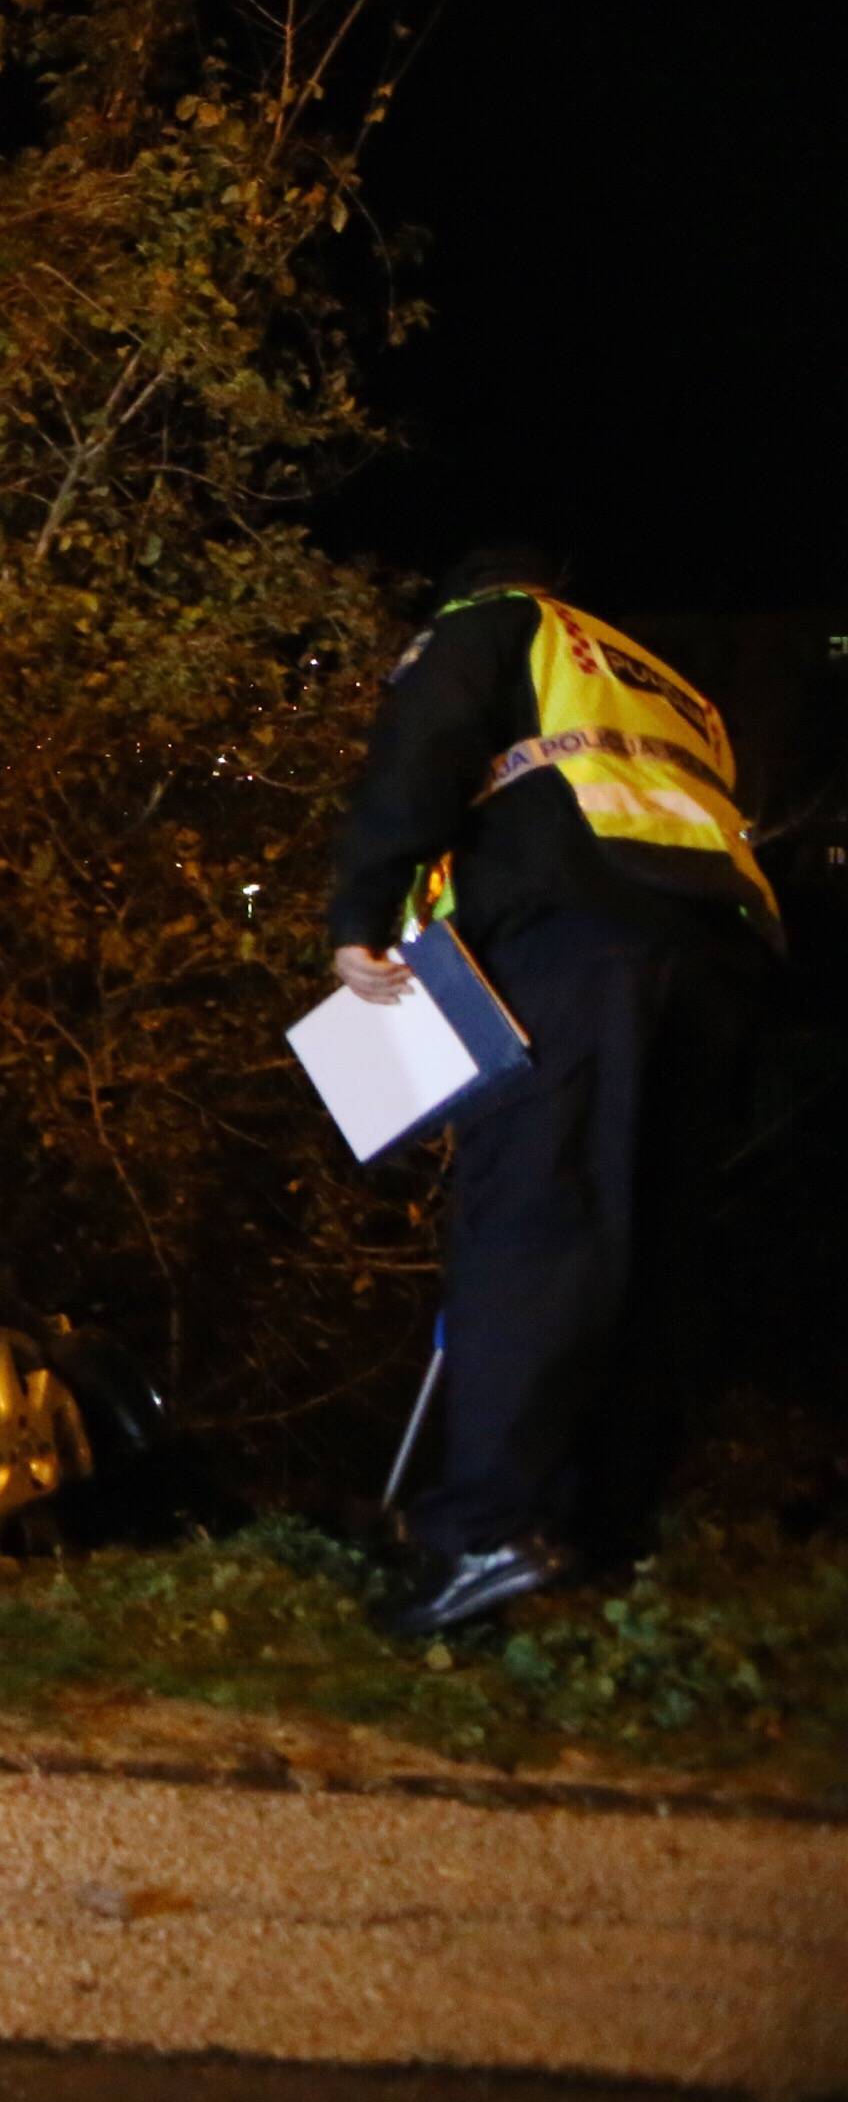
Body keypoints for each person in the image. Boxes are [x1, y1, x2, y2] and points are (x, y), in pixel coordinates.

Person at [328, 548, 781, 1634]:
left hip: (576, 938)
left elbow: (421, 752)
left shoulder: (491, 620)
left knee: (536, 1218)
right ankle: (599, 1531)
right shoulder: (664, 678)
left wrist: (359, 914)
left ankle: (482, 1533)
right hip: (720, 953)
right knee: (647, 1241)